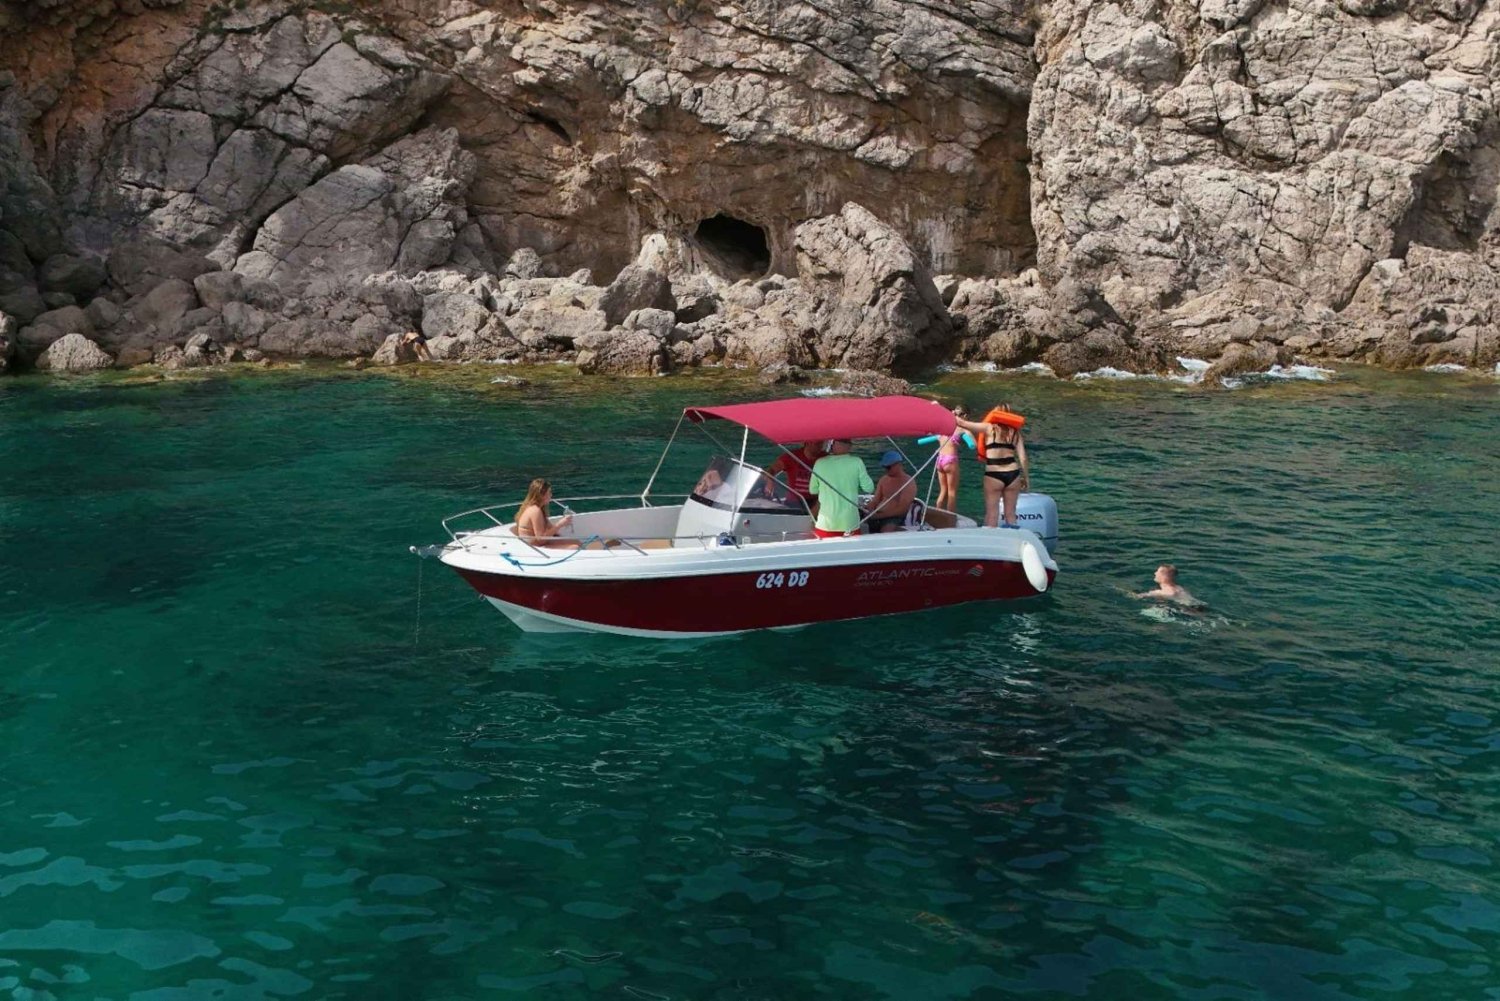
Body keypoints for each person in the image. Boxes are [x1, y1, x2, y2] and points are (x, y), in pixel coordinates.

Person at [954, 404, 1030, 528]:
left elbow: (962, 423)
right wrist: (1026, 478)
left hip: (994, 474)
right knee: (1010, 515)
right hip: (1013, 474)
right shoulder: (1016, 433)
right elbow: (1023, 458)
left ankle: (992, 543)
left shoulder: (989, 428)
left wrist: (944, 410)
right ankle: (1013, 543)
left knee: (992, 515)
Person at [807, 439, 873, 538]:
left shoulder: (820, 463)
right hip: (850, 524)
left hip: (825, 525)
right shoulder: (856, 462)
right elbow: (869, 488)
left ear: (832, 445)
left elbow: (813, 490)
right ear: (849, 446)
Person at [918, 405, 974, 514]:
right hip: (950, 460)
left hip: (940, 460)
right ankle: (950, 520)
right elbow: (973, 445)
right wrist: (969, 434)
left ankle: (938, 516)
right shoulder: (962, 429)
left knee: (943, 491)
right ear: (965, 416)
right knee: (952, 493)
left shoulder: (944, 427)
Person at [514, 477, 578, 547]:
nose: (551, 495)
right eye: (549, 492)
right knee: (575, 547)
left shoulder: (535, 508)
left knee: (576, 542)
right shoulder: (535, 511)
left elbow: (550, 528)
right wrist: (560, 524)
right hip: (535, 548)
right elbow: (541, 539)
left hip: (536, 545)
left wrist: (559, 533)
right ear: (541, 495)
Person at [865, 450, 918, 533]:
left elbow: (902, 509)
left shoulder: (908, 482)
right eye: (884, 467)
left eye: (888, 467)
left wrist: (879, 516)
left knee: (886, 531)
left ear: (899, 465)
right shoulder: (884, 479)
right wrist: (869, 508)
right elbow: (875, 500)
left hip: (895, 517)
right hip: (878, 513)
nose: (886, 470)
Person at [764, 441, 826, 511]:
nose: (820, 447)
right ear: (808, 443)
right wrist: (770, 480)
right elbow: (771, 470)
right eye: (818, 444)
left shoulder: (826, 458)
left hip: (817, 502)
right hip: (795, 502)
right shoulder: (792, 457)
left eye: (822, 444)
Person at [1134, 564, 1204, 607]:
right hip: (1199, 605)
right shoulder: (1180, 588)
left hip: (1188, 609)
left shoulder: (1162, 592)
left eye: (1157, 571)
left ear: (1164, 577)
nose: (1155, 573)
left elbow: (1138, 596)